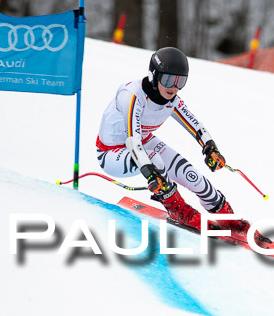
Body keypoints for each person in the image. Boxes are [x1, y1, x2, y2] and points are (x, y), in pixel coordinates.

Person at [95, 47, 248, 236]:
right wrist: (150, 172)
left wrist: (210, 148)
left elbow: (196, 126)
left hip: (145, 143)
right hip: (112, 153)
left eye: (180, 81)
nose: (174, 87)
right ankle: (178, 209)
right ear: (154, 75)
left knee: (194, 177)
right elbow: (133, 142)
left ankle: (228, 218)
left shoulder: (171, 100)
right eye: (168, 79)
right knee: (155, 161)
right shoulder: (131, 95)